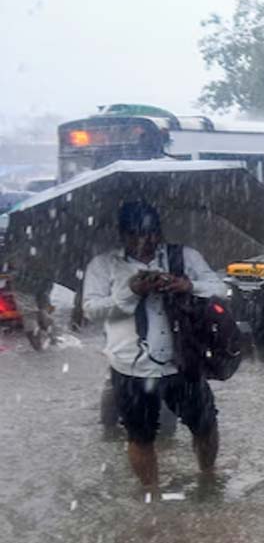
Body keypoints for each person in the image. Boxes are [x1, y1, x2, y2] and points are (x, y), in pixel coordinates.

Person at [82, 201, 224, 491]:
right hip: (130, 366)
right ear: (122, 234)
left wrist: (188, 286)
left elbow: (220, 288)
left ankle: (208, 477)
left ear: (160, 231)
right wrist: (130, 293)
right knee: (140, 435)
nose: (145, 241)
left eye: (151, 233)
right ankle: (151, 493)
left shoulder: (184, 256)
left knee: (205, 424)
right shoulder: (104, 264)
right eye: (135, 234)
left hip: (183, 361)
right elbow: (91, 310)